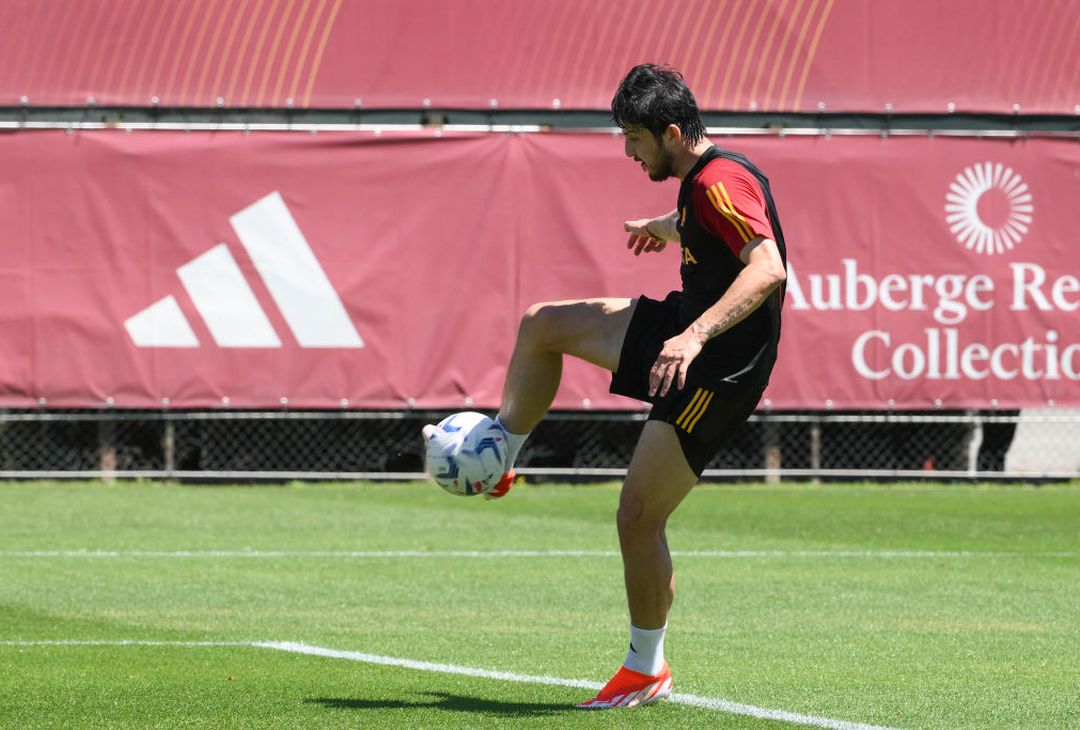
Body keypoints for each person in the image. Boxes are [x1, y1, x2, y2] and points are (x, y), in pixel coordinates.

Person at [452, 63, 788, 708]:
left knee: (637, 517)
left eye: (634, 138)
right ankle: (499, 460)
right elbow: (712, 222)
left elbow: (767, 268)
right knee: (543, 324)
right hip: (686, 331)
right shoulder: (704, 179)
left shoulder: (719, 182)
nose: (627, 151)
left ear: (669, 131)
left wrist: (692, 339)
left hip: (717, 366)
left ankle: (645, 668)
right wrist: (670, 227)